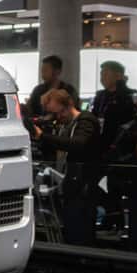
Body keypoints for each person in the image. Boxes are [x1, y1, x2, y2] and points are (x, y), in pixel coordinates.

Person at [32, 88, 104, 245]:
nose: (58, 118)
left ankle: (85, 259)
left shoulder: (86, 121)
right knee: (71, 226)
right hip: (70, 182)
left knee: (81, 228)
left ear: (69, 104)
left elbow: (78, 144)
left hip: (84, 184)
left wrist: (43, 136)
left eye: (59, 113)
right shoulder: (66, 125)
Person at [92, 60, 137, 159]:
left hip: (121, 147)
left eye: (106, 74)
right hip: (100, 143)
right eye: (101, 74)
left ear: (118, 76)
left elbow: (131, 117)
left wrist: (121, 85)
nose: (102, 78)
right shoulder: (100, 95)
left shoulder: (130, 94)